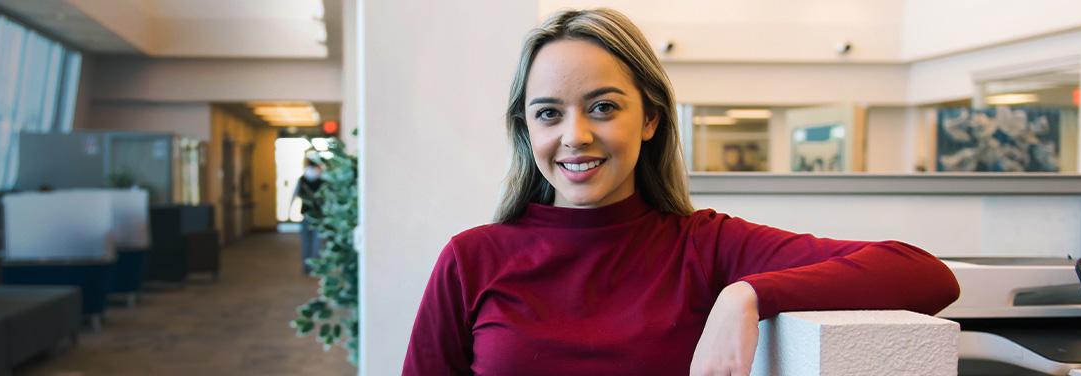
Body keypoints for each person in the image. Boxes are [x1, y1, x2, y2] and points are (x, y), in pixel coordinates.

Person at [402, 8, 959, 376]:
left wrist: (747, 294)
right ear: (528, 131)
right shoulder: (470, 259)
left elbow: (923, 273)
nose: (575, 136)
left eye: (603, 107)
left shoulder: (706, 245)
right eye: (549, 113)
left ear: (650, 119)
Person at [294, 155, 324, 274]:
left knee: (306, 241)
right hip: (318, 214)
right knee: (317, 241)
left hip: (306, 213)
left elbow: (295, 194)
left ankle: (306, 266)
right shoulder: (322, 179)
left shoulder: (302, 178)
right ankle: (315, 266)